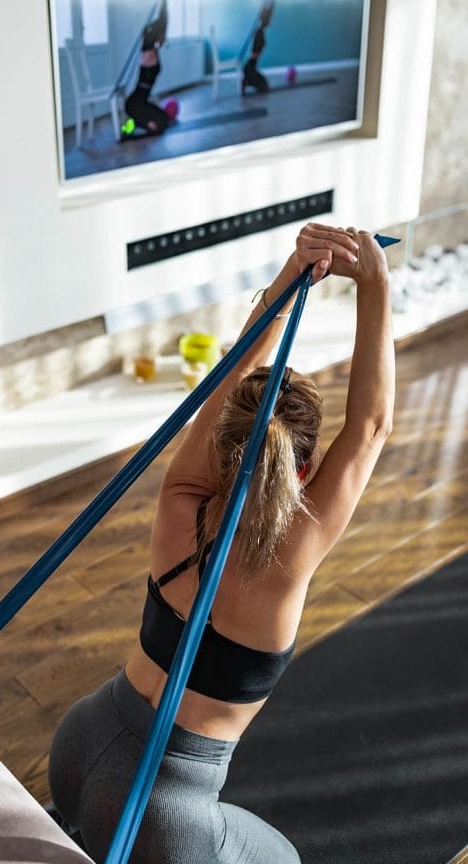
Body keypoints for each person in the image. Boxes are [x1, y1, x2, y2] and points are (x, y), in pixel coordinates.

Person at [49, 222, 395, 863]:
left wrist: (290, 281)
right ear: (304, 472)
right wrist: (375, 284)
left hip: (80, 743)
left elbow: (234, 372)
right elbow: (370, 426)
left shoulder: (178, 498)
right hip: (162, 819)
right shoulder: (294, 550)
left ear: (223, 446)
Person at [124, 0, 170, 135]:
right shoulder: (147, 52)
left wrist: (163, 0)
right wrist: (163, 0)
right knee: (160, 126)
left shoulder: (151, 50)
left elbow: (163, 21)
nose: (165, 39)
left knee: (165, 118)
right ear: (157, 37)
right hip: (134, 105)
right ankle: (135, 124)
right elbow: (163, 21)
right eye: (163, 35)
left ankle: (135, 123)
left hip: (139, 102)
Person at [242, 1, 275, 95]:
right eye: (269, 19)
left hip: (250, 67)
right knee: (264, 87)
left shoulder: (259, 31)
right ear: (266, 20)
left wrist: (271, 5)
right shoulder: (259, 33)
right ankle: (246, 81)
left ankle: (247, 80)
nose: (271, 21)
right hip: (249, 69)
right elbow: (254, 53)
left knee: (264, 85)